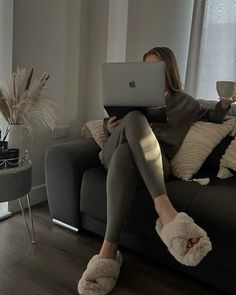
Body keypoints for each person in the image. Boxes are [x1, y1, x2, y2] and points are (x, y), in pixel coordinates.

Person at [77, 47, 235, 295]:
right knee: (132, 120)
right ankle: (165, 209)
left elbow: (213, 116)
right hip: (115, 146)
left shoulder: (187, 103)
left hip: (157, 162)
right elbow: (113, 129)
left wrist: (226, 100)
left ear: (168, 69)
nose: (151, 73)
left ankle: (108, 250)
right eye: (146, 67)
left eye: (156, 67)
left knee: (124, 154)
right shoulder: (132, 96)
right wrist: (108, 127)